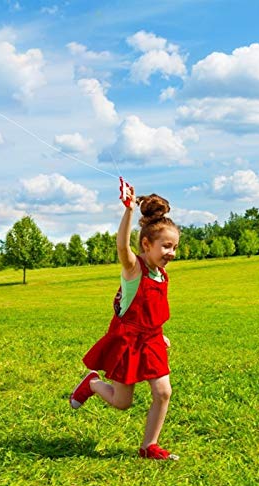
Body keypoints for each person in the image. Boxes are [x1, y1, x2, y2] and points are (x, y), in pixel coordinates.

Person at [69, 184, 180, 460]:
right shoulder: (134, 269)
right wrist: (128, 210)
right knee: (122, 402)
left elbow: (152, 312)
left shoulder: (162, 276)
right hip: (128, 341)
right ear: (146, 244)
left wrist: (160, 333)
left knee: (163, 392)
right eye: (166, 246)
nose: (172, 253)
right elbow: (121, 246)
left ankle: (148, 446)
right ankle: (93, 383)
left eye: (175, 247)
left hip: (152, 339)